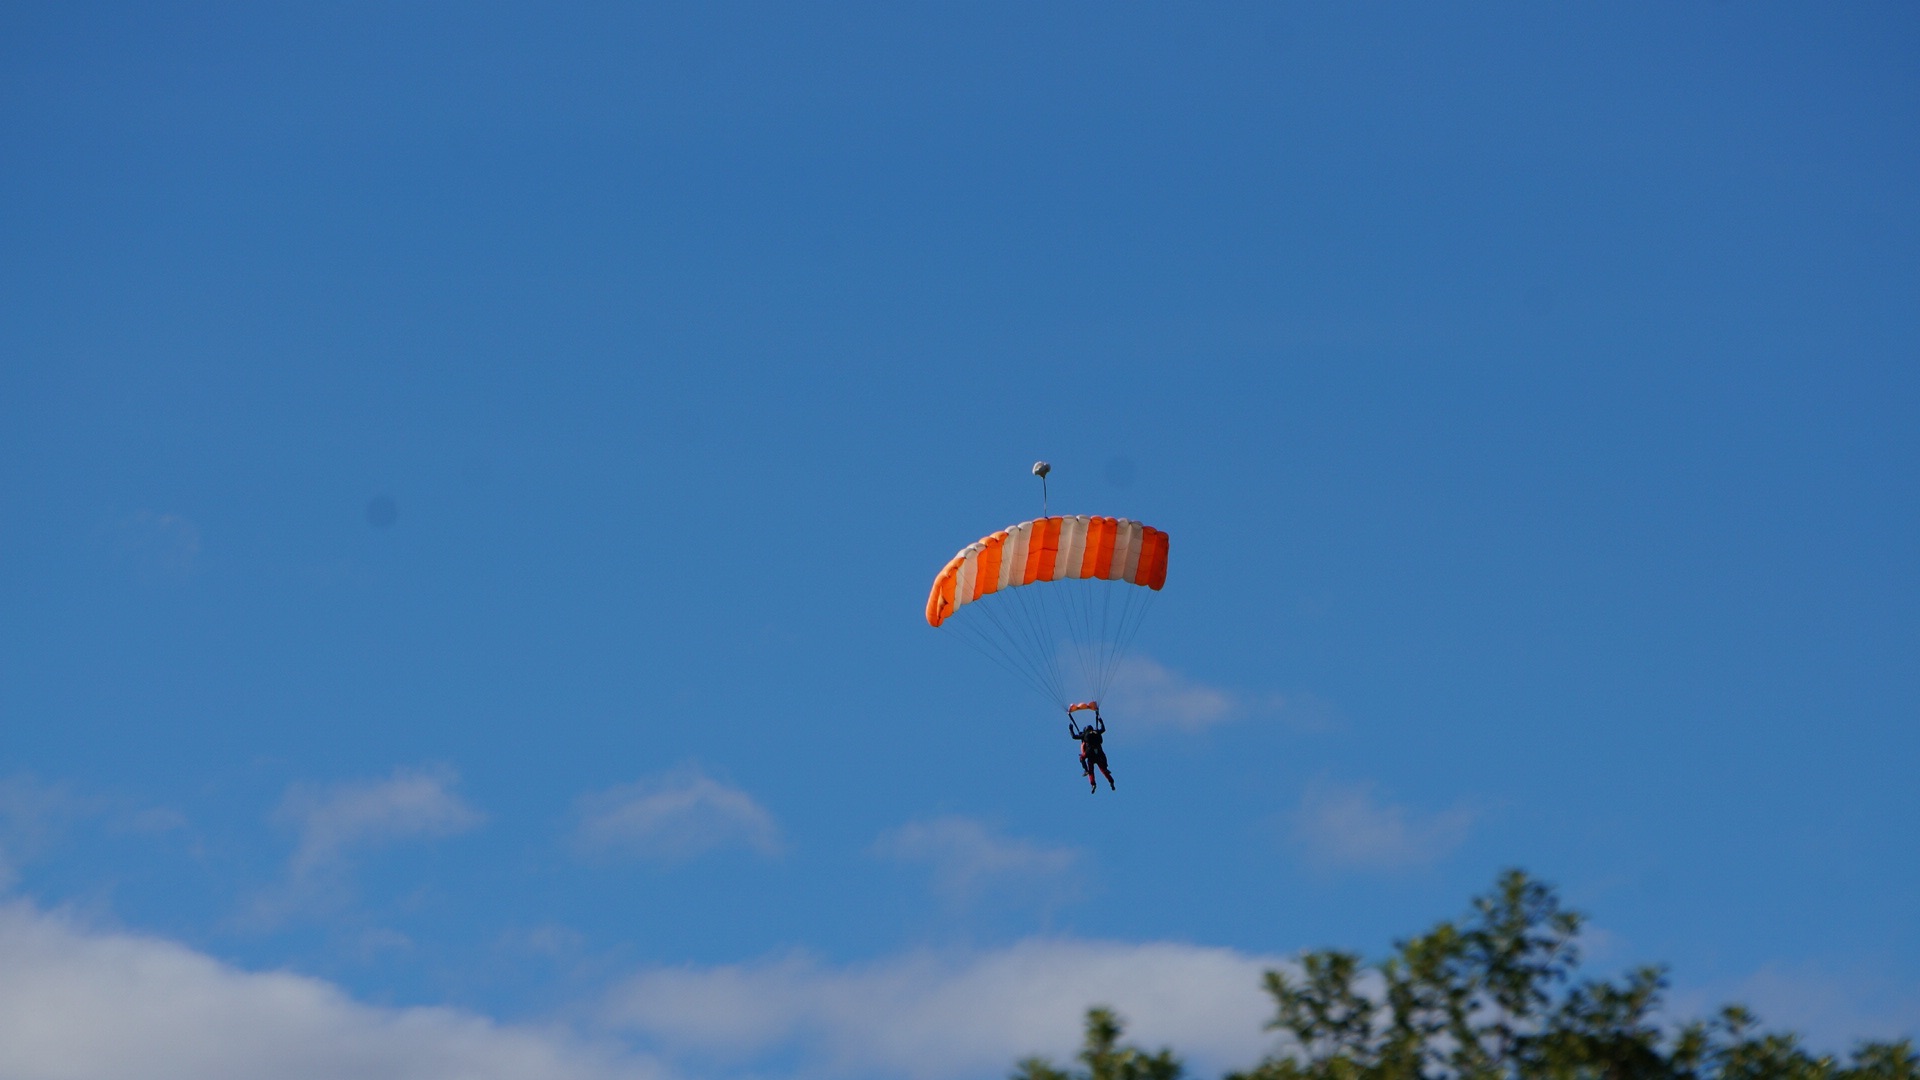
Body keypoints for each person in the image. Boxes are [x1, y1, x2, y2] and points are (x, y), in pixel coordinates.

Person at [1067, 702, 1114, 793]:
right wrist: (1100, 721)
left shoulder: (1084, 734)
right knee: (1103, 769)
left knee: (1086, 764)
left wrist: (1071, 729)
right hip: (1098, 753)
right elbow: (1103, 729)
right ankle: (1111, 781)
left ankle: (1090, 778)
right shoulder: (1096, 732)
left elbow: (1073, 737)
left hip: (1089, 753)